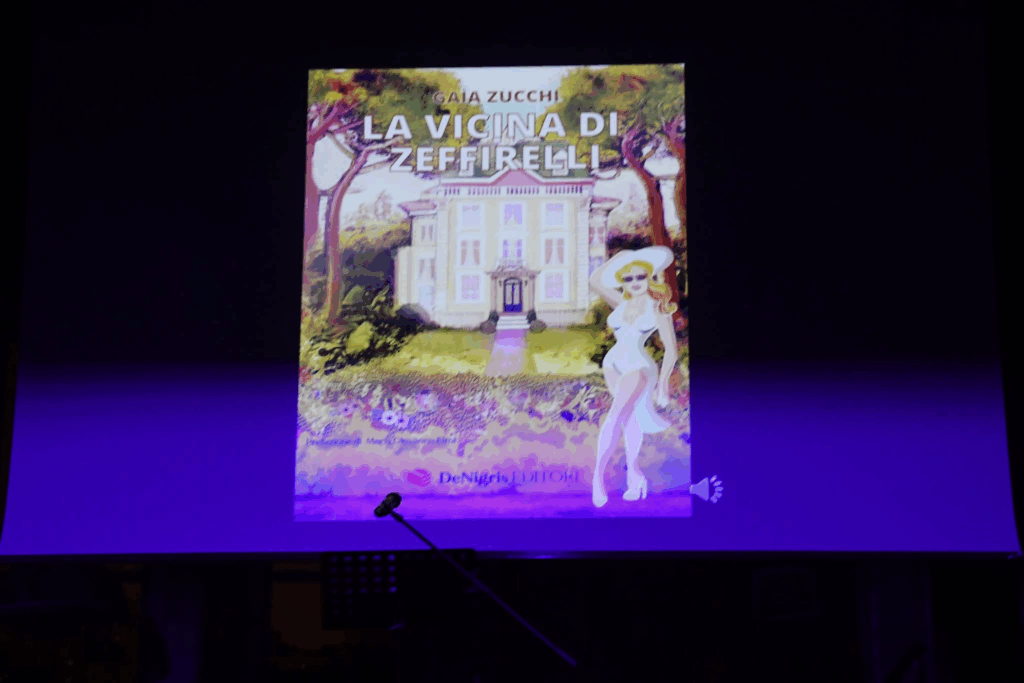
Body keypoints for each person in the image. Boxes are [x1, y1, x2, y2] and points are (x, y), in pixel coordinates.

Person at [588, 247, 678, 507]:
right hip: (612, 364)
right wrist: (621, 258)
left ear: (649, 277)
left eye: (640, 276)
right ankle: (635, 475)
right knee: (629, 419)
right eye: (628, 278)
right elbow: (595, 281)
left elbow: (671, 350)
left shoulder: (658, 308)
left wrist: (663, 385)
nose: (635, 282)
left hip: (638, 366)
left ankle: (597, 478)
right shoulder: (621, 303)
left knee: (615, 415)